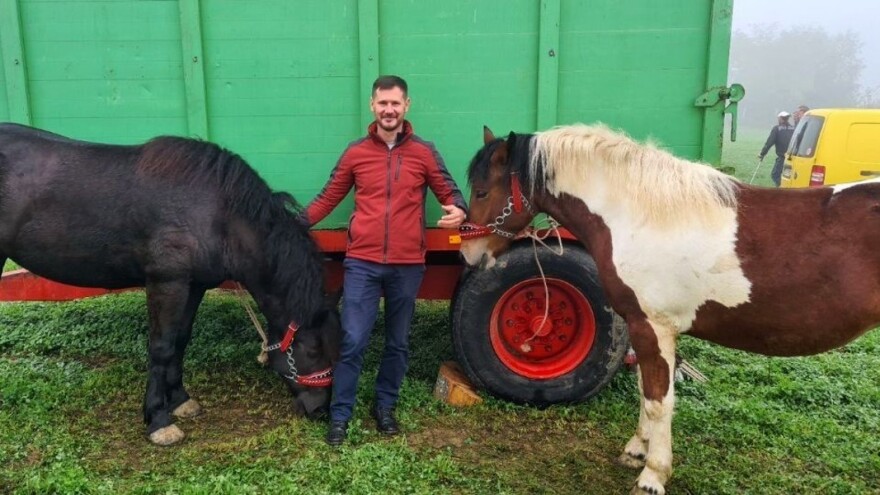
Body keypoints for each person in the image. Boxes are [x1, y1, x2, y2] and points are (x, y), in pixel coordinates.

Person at [300, 75, 468, 446]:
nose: (389, 110)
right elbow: (328, 197)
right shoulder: (356, 153)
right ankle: (340, 415)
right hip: (362, 262)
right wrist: (294, 225)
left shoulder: (424, 152)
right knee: (352, 340)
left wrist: (459, 210)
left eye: (395, 103)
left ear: (406, 106)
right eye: (382, 103)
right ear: (372, 106)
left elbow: (450, 192)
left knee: (398, 342)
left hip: (407, 265)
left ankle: (385, 408)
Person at [758, 111, 795, 187]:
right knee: (789, 175)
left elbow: (769, 142)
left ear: (780, 119)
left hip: (783, 157)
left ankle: (783, 189)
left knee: (775, 174)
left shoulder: (777, 129)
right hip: (794, 157)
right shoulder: (793, 128)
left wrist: (762, 154)